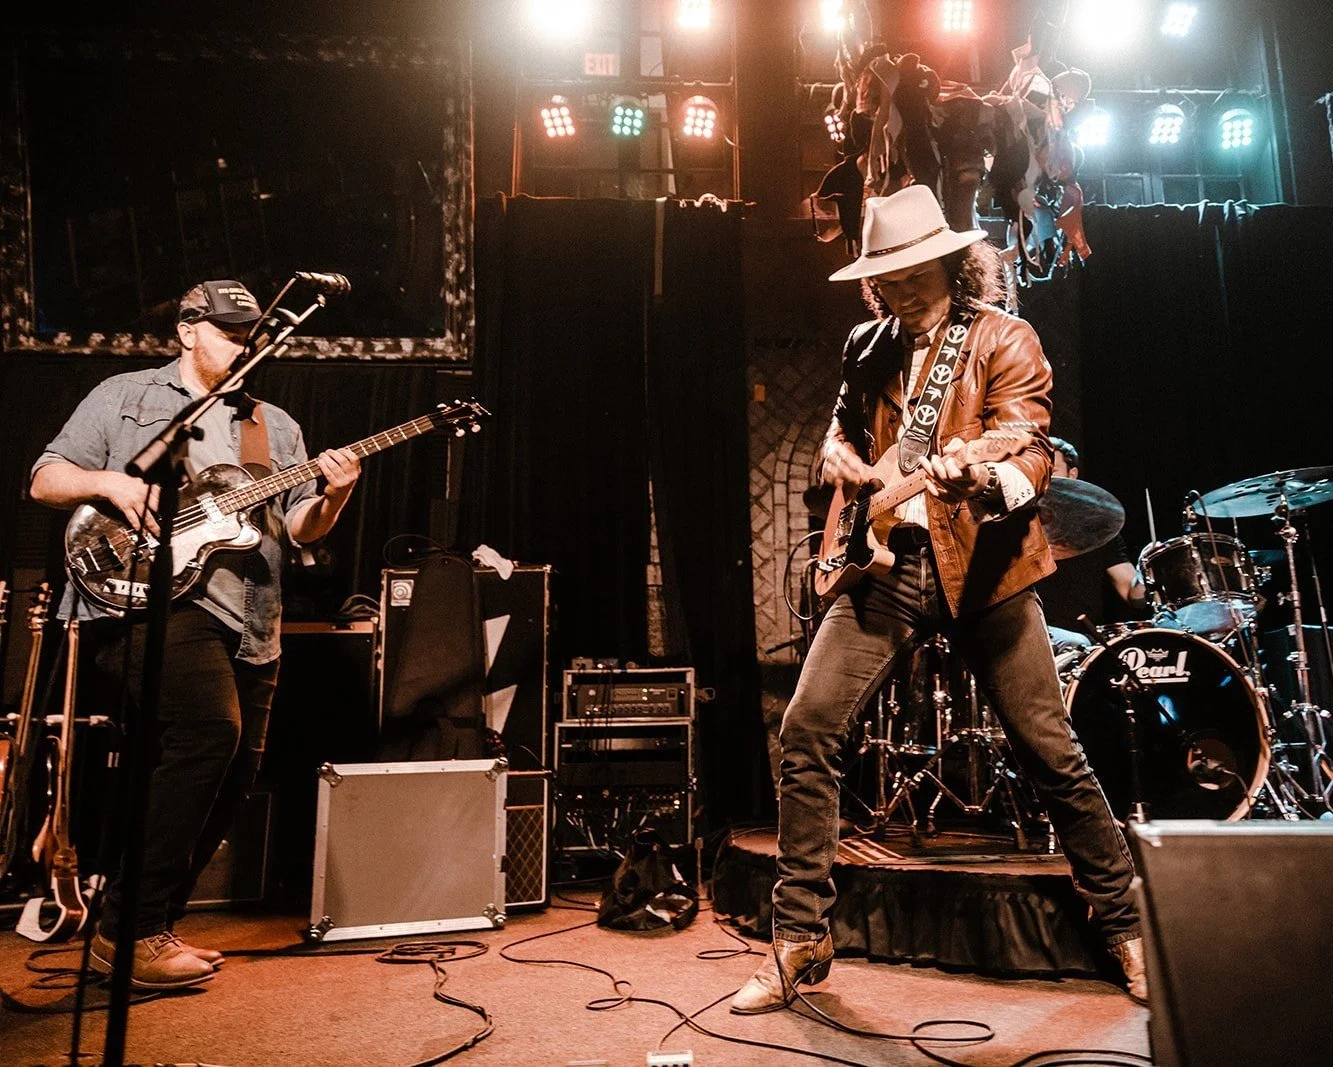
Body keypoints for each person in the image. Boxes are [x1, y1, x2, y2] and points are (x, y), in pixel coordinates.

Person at [731, 187, 1146, 1014]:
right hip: (883, 567)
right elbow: (840, 431)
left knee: (1048, 751)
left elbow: (1027, 444)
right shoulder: (864, 344)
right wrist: (841, 460)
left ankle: (1128, 922)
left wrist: (983, 473)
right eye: (889, 274)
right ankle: (798, 937)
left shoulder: (1003, 337)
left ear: (954, 265)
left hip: (985, 571)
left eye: (920, 268)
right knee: (806, 729)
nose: (905, 285)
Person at [30, 280, 361, 990]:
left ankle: (148, 925)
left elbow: (299, 528)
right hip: (142, 599)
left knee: (234, 776)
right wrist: (112, 485)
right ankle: (127, 928)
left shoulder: (275, 426)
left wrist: (333, 493)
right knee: (211, 730)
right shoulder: (126, 396)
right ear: (187, 330)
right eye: (231, 332)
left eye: (251, 335)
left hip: (252, 620)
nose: (245, 345)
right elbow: (45, 479)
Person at [1036, 437, 1149, 649]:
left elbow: (1132, 594)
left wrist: (1149, 571)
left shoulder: (1099, 529)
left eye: (1053, 469)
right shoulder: (1017, 527)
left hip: (1085, 645)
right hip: (1034, 634)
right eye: (1039, 469)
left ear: (1072, 475)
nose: (1045, 476)